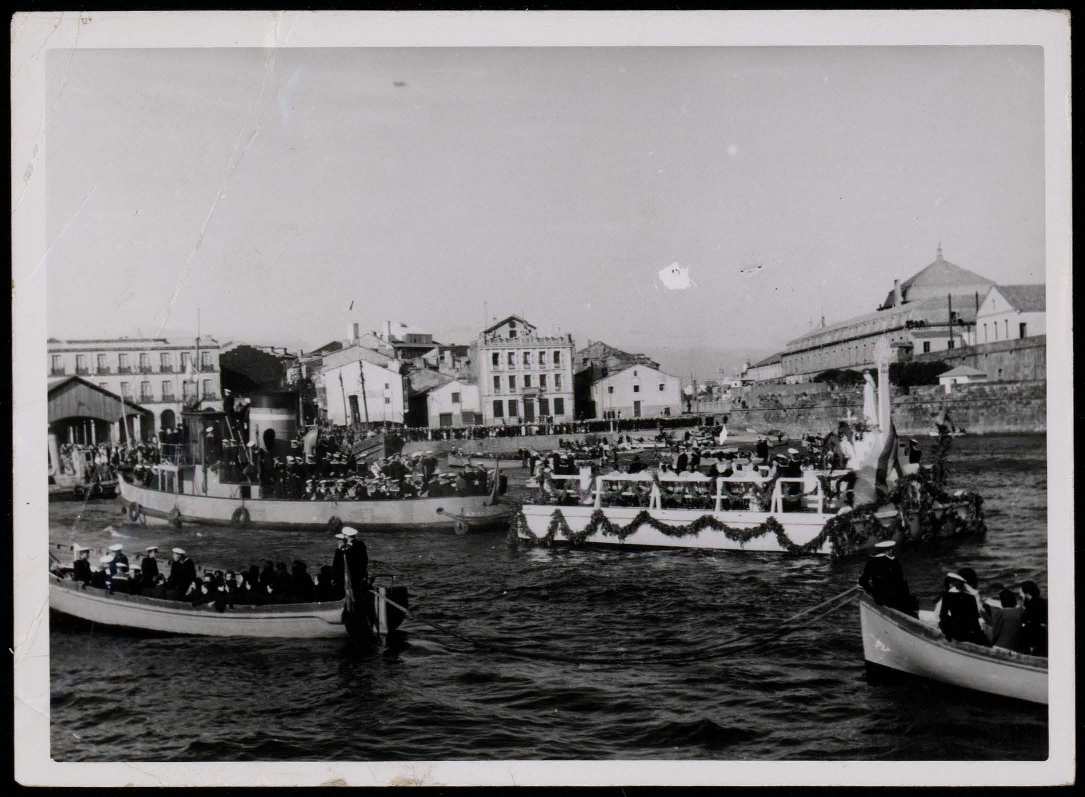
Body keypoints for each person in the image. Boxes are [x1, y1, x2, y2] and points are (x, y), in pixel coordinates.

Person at [858, 540, 918, 616]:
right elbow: (900, 582)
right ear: (889, 550)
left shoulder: (870, 562)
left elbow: (863, 582)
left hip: (880, 598)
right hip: (895, 599)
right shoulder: (893, 562)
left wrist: (874, 593)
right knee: (911, 609)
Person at [938, 572, 990, 646]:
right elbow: (975, 619)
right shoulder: (972, 597)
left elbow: (942, 616)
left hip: (957, 633)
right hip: (971, 632)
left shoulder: (947, 596)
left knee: (943, 622)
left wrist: (947, 634)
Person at [1018, 580, 1048, 657]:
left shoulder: (1030, 607)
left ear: (1027, 593)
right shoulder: (1043, 602)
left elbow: (1025, 622)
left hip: (1036, 640)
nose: (1019, 594)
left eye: (1021, 592)